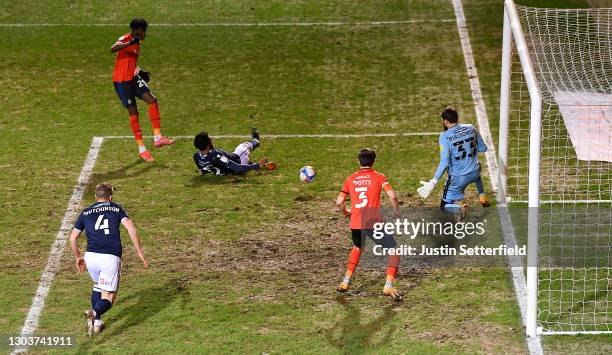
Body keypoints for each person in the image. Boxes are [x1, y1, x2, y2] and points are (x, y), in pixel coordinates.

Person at [69, 183, 149, 336]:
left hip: (91, 256)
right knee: (110, 297)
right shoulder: (116, 208)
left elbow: (73, 239)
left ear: (95, 197)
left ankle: (97, 323)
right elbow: (131, 229)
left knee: (98, 285)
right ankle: (94, 312)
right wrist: (139, 251)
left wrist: (78, 257)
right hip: (110, 257)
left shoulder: (85, 212)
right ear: (110, 197)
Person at [336, 148, 402, 301]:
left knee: (357, 248)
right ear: (373, 161)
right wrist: (397, 212)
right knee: (393, 250)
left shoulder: (350, 178)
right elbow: (392, 196)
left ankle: (345, 282)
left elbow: (339, 201)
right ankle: (388, 285)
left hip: (356, 223)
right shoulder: (379, 177)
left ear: (359, 161)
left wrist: (346, 212)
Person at [111, 18, 174, 162]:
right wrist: (129, 42)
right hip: (121, 82)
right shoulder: (126, 38)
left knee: (152, 100)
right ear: (135, 30)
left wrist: (140, 72)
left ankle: (158, 138)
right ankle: (142, 149)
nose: (145, 33)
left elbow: (130, 61)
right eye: (143, 30)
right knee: (134, 112)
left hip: (132, 78)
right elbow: (113, 48)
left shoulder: (139, 42)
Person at [417, 107, 490, 221]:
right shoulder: (471, 127)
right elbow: (483, 148)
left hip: (458, 178)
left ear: (446, 122)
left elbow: (444, 162)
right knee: (477, 167)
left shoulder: (444, 136)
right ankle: (482, 197)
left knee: (444, 206)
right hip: (475, 172)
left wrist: (433, 182)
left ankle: (460, 208)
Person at [193, 128, 276, 175]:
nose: (211, 139)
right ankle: (255, 141)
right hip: (239, 160)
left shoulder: (196, 157)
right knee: (243, 147)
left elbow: (203, 170)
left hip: (229, 171)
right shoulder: (215, 155)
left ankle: (255, 165)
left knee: (241, 164)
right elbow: (237, 167)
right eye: (209, 139)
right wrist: (258, 166)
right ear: (208, 144)